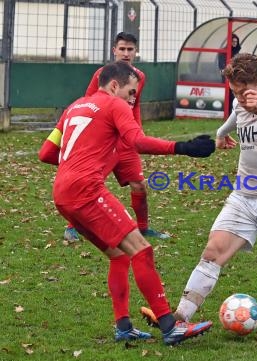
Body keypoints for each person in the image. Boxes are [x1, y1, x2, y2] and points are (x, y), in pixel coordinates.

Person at [140, 53, 257, 327]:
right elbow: (234, 117)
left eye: (245, 92)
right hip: (244, 197)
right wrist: (221, 133)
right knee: (213, 252)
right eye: (235, 92)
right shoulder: (241, 103)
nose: (240, 98)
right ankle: (178, 320)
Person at [43, 61, 215, 345]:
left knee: (119, 255)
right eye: (131, 91)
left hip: (62, 194)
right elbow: (138, 141)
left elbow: (46, 152)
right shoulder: (115, 105)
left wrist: (77, 166)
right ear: (114, 85)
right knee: (142, 249)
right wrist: (183, 148)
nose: (134, 98)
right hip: (86, 191)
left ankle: (123, 326)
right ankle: (170, 326)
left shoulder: (75, 106)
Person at [42, 32, 170, 243]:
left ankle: (143, 228)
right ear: (114, 50)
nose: (126, 53)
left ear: (136, 52)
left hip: (125, 139)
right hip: (104, 139)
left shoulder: (139, 76)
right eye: (122, 49)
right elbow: (89, 103)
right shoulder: (102, 74)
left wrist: (138, 131)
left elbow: (134, 105)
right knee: (90, 180)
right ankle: (72, 226)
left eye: (130, 49)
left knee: (139, 185)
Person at [218, 34, 242, 111]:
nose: (235, 43)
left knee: (233, 95)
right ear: (229, 42)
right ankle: (226, 111)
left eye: (236, 41)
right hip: (226, 76)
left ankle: (232, 111)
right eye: (233, 41)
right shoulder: (223, 52)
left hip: (235, 77)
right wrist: (224, 70)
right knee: (227, 95)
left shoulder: (237, 52)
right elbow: (222, 66)